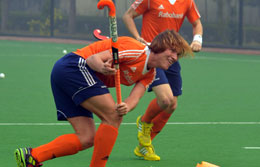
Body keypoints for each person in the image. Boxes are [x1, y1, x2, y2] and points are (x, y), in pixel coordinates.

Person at [14, 30, 192, 167]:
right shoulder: (136, 50)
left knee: (87, 138)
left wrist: (127, 107)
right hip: (74, 67)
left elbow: (134, 98)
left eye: (178, 55)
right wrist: (103, 67)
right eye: (173, 51)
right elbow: (93, 59)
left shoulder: (151, 73)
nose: (175, 58)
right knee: (113, 116)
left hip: (67, 74)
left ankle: (32, 156)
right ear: (160, 46)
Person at [123, 0, 203, 161]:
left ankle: (143, 147)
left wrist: (197, 40)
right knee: (165, 99)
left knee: (172, 105)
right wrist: (138, 37)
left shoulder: (187, 2)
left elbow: (197, 23)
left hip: (172, 56)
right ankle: (144, 123)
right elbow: (128, 16)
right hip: (153, 55)